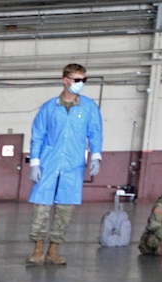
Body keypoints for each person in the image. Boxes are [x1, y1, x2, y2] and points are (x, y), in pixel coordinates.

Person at [26, 62, 104, 267]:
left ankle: (54, 250)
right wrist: (35, 162)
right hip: (49, 162)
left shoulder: (88, 107)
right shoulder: (49, 107)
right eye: (77, 80)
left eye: (83, 80)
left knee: (65, 207)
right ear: (65, 80)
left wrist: (96, 155)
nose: (81, 84)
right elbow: (38, 135)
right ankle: (37, 249)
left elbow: (95, 132)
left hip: (73, 164)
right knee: (41, 206)